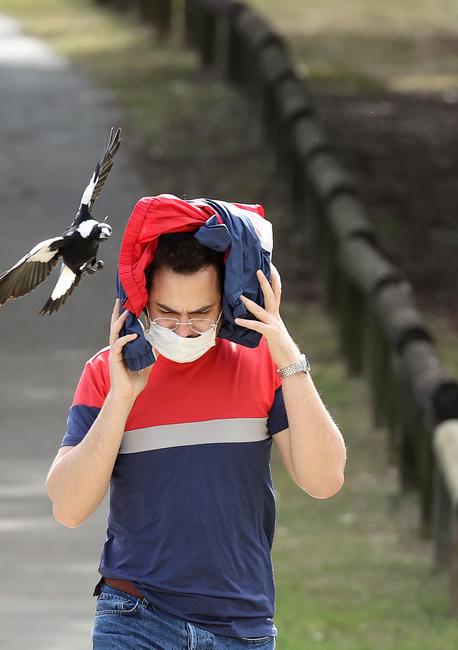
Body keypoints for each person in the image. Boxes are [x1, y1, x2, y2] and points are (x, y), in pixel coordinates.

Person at [46, 215, 347, 649]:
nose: (184, 329)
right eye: (167, 313)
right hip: (136, 618)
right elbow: (69, 508)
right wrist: (121, 398)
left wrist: (287, 355)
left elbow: (324, 481)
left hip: (242, 627)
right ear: (141, 300)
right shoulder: (107, 372)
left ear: (226, 301)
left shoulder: (265, 364)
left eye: (201, 313)